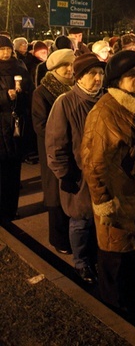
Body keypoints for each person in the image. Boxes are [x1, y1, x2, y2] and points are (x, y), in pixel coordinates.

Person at [81, 50, 135, 314]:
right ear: (116, 80)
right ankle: (116, 309)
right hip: (118, 198)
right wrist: (104, 203)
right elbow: (94, 164)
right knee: (116, 257)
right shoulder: (105, 112)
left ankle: (134, 294)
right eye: (130, 75)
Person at [46, 53, 106, 284]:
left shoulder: (106, 100)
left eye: (101, 73)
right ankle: (81, 263)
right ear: (79, 77)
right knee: (80, 221)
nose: (98, 78)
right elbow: (55, 142)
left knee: (101, 220)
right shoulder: (66, 102)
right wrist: (65, 174)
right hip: (78, 176)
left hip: (103, 174)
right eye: (92, 73)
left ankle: (98, 258)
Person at [32, 49, 75, 254]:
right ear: (54, 69)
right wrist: (63, 134)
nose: (69, 70)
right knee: (56, 196)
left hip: (74, 149)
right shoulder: (42, 92)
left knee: (72, 193)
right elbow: (40, 125)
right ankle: (59, 239)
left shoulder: (75, 88)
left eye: (71, 65)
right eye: (63, 66)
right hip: (54, 150)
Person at [0, 36, 34, 224]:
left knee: (13, 172)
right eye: (1, 49)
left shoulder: (20, 68)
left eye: (7, 49)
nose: (5, 53)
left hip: (16, 125)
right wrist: (5, 95)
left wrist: (22, 95)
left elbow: (30, 92)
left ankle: (11, 210)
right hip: (1, 126)